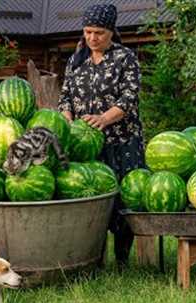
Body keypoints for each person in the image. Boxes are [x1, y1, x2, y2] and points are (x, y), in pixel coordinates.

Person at [58, 4, 145, 265]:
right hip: (86, 148)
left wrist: (103, 119)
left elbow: (130, 98)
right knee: (92, 202)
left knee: (123, 201)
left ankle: (122, 260)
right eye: (88, 32)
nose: (92, 38)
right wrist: (68, 123)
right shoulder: (76, 60)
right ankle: (93, 259)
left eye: (99, 32)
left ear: (111, 31)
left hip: (122, 142)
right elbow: (65, 99)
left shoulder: (125, 58)